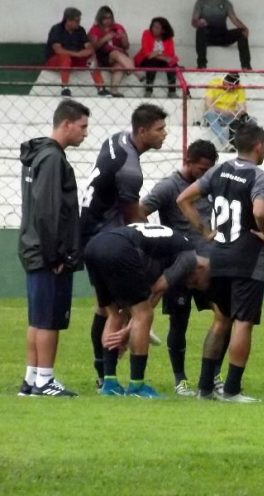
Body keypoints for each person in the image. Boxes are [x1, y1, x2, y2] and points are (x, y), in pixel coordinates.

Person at [178, 123, 264, 403]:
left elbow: (183, 199)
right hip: (247, 259)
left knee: (221, 320)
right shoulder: (259, 176)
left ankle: (205, 388)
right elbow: (259, 209)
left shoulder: (219, 170)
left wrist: (205, 231)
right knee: (243, 322)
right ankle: (231, 389)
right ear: (260, 146)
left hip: (217, 256)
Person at [80, 104, 168, 392]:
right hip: (105, 237)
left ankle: (102, 373)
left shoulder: (116, 139)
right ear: (142, 131)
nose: (164, 134)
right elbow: (134, 218)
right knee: (117, 310)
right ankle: (114, 374)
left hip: (89, 232)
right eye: (159, 129)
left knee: (105, 308)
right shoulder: (130, 171)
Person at [84, 223, 210, 398]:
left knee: (113, 314)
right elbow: (157, 289)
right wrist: (129, 331)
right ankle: (137, 386)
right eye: (196, 282)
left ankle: (109, 383)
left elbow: (149, 296)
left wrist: (127, 329)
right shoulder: (189, 257)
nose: (190, 285)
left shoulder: (169, 249)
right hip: (120, 249)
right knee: (144, 315)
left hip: (94, 245)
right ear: (201, 268)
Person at [17, 99, 90, 397]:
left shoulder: (38, 156)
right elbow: (48, 210)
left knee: (37, 317)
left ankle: (32, 378)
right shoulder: (52, 159)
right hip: (47, 252)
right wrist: (56, 254)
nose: (85, 133)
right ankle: (45, 379)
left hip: (33, 247)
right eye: (83, 126)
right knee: (49, 318)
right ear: (67, 124)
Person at [140, 139, 218, 396]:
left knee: (222, 316)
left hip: (206, 265)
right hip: (179, 267)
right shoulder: (168, 187)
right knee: (179, 321)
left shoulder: (211, 185)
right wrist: (158, 240)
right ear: (188, 161)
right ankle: (180, 378)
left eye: (208, 169)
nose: (204, 174)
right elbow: (141, 210)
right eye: (200, 168)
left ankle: (213, 375)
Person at [45, 7, 109, 97]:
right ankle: (65, 88)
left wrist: (88, 52)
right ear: (68, 20)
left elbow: (89, 47)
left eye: (79, 20)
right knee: (65, 57)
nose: (79, 22)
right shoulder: (57, 29)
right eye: (76, 21)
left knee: (91, 58)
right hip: (55, 61)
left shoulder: (80, 30)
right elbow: (58, 50)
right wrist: (78, 54)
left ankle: (101, 88)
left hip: (75, 60)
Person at [88, 6, 138, 97]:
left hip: (119, 57)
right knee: (115, 53)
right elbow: (93, 47)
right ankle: (135, 72)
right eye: (105, 18)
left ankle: (113, 90)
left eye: (110, 18)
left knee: (119, 65)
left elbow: (126, 46)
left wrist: (123, 37)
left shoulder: (118, 27)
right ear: (100, 18)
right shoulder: (95, 29)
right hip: (102, 56)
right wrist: (104, 39)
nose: (108, 20)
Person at [192, 0, 252, 70]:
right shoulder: (200, 3)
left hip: (223, 36)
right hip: (208, 38)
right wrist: (199, 23)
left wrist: (245, 28)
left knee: (242, 33)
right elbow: (194, 22)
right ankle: (201, 65)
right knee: (200, 31)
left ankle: (246, 66)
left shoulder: (226, 4)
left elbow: (234, 19)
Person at [134, 17, 180, 98]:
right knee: (152, 62)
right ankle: (148, 90)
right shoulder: (147, 33)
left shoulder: (169, 39)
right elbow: (147, 53)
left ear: (163, 30)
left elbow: (170, 55)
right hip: (145, 60)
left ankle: (172, 92)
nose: (153, 29)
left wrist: (156, 54)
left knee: (173, 64)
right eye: (153, 26)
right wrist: (160, 53)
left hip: (161, 62)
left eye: (157, 27)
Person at [203, 72, 249, 152]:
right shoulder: (214, 83)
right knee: (209, 114)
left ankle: (247, 147)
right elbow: (208, 105)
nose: (230, 88)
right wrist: (225, 111)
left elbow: (243, 110)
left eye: (232, 87)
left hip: (230, 116)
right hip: (216, 114)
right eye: (228, 85)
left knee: (252, 120)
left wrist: (232, 113)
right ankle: (226, 144)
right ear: (224, 80)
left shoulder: (239, 88)